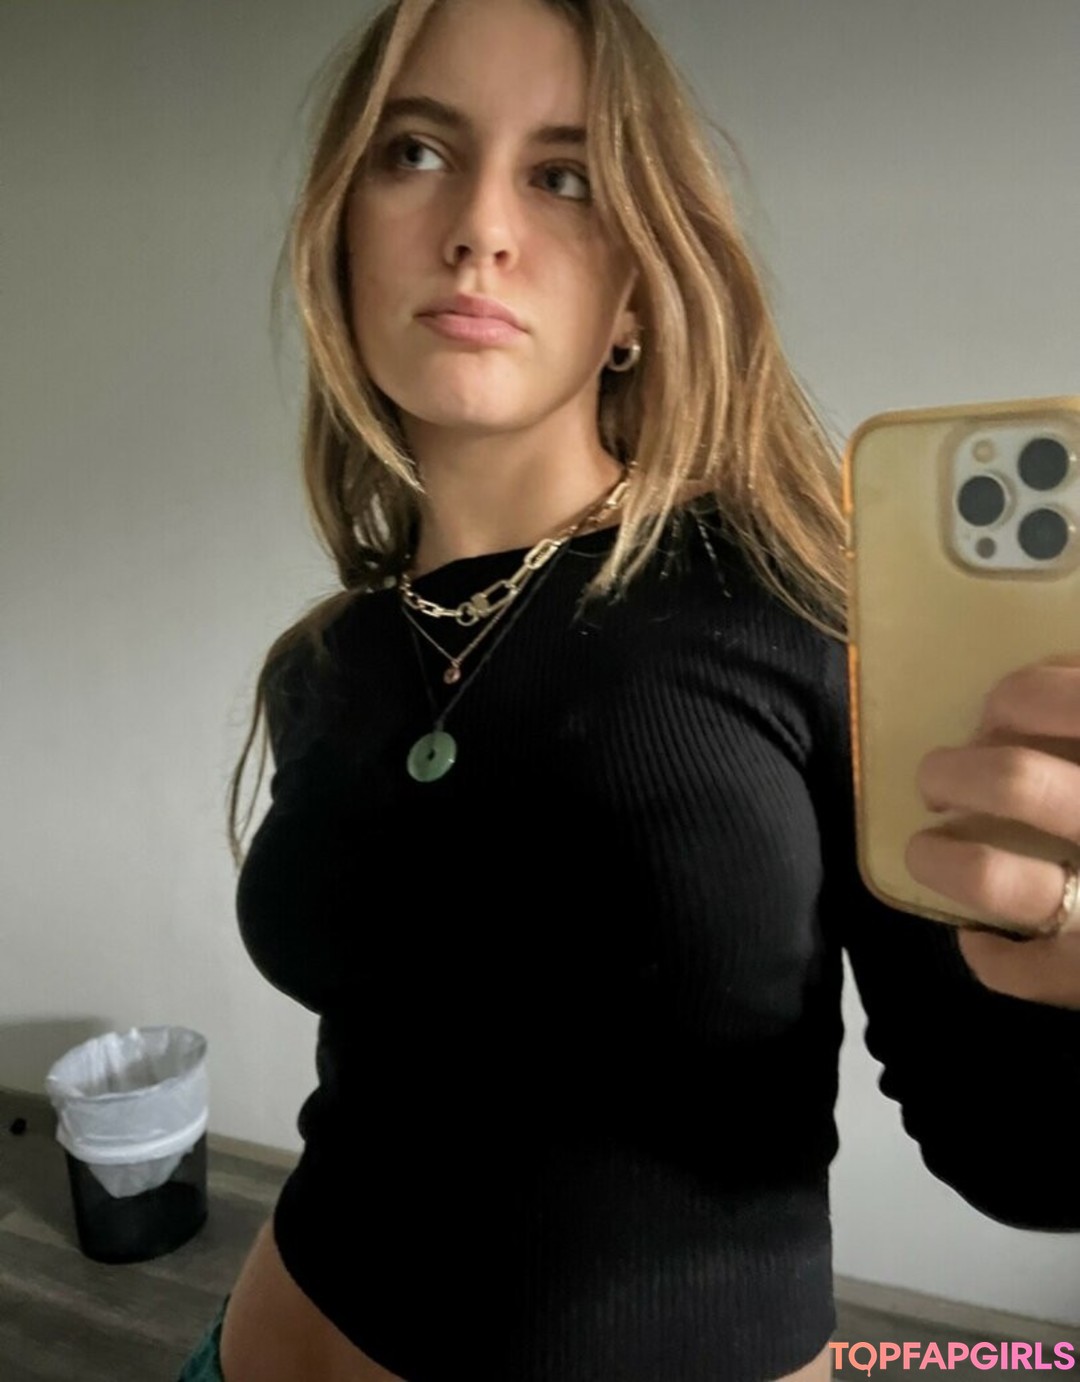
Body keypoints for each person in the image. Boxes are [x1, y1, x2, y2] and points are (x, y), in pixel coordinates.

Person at [178, 0, 1080, 1378]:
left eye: (564, 175)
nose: (480, 226)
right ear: (340, 236)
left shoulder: (801, 612)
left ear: (638, 300)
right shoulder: (331, 657)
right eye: (415, 152)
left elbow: (1022, 1157)